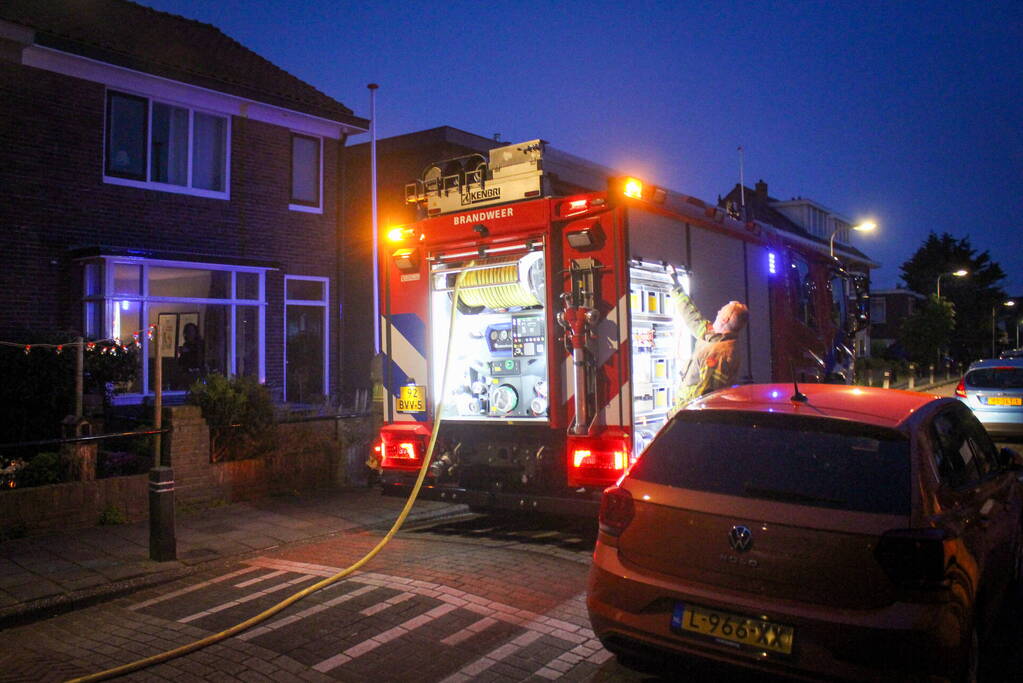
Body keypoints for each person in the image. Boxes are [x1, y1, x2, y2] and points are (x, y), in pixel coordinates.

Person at [668, 267, 749, 412]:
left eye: (721, 310)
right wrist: (676, 286)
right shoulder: (714, 337)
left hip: (688, 415)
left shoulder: (719, 353)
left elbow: (704, 395)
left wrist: (675, 415)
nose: (717, 312)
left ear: (725, 319)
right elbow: (693, 318)